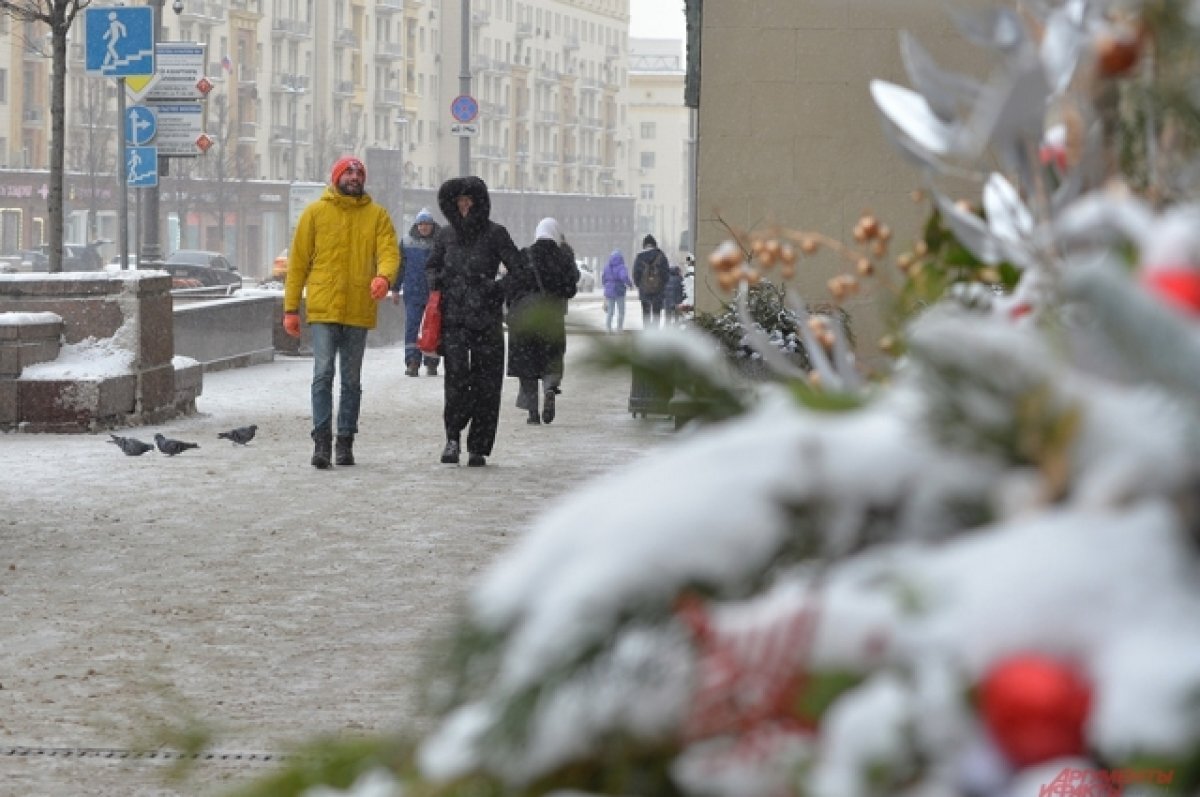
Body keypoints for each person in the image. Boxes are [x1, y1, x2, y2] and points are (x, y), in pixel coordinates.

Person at [282, 155, 400, 469]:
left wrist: (384, 277)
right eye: (348, 173)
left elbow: (389, 251)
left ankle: (345, 441)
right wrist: (290, 308)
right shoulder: (315, 214)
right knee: (322, 375)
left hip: (358, 309)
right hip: (323, 309)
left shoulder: (377, 216)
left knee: (351, 380)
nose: (354, 177)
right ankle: (321, 442)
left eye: (359, 173)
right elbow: (298, 264)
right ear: (336, 177)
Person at [425, 176, 524, 467]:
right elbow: (431, 267)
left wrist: (496, 290)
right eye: (459, 201)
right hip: (454, 319)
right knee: (455, 381)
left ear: (480, 203)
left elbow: (518, 270)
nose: (465, 206)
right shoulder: (445, 236)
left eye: (469, 200)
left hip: (486, 320)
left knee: (487, 384)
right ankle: (453, 438)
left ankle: (478, 446)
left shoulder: (495, 234)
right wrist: (440, 282)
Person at [506, 218, 579, 425]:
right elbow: (570, 289)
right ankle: (549, 389)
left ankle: (532, 412)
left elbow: (511, 286)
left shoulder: (524, 255)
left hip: (524, 317)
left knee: (527, 363)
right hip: (550, 316)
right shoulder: (562, 257)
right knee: (551, 357)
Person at [393, 208, 442, 377]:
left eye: (427, 224)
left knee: (433, 327)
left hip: (434, 292)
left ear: (432, 225)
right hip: (413, 292)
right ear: (417, 225)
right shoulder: (406, 242)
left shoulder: (441, 242)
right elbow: (400, 267)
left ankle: (431, 362)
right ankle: (412, 362)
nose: (424, 227)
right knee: (412, 327)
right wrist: (395, 288)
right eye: (421, 224)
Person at [632, 234, 670, 329]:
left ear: (644, 245)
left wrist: (640, 285)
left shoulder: (639, 257)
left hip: (644, 289)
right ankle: (655, 331)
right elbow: (666, 272)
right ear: (654, 244)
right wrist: (663, 284)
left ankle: (647, 331)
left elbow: (636, 273)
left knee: (646, 311)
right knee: (657, 311)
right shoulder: (661, 255)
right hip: (658, 289)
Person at [601, 249, 634, 334]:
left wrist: (606, 286)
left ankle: (608, 329)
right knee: (621, 311)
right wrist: (630, 284)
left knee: (610, 311)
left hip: (609, 291)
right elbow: (624, 277)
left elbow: (603, 279)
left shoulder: (607, 267)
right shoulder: (622, 267)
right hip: (619, 290)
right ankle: (619, 329)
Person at [663, 260, 686, 325]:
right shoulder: (680, 279)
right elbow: (683, 290)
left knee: (668, 318)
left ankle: (667, 330)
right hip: (678, 302)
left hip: (667, 302)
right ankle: (676, 329)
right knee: (677, 317)